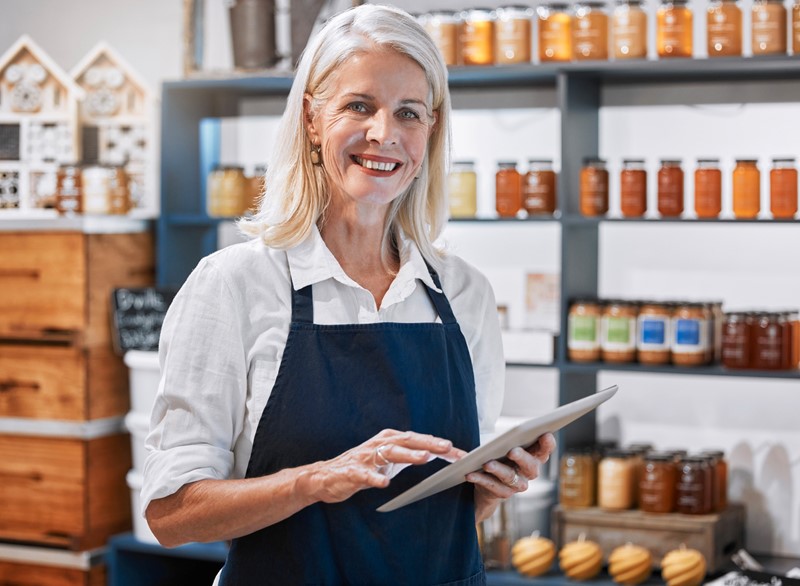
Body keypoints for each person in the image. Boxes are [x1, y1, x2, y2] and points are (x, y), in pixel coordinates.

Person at [142, 4, 555, 585]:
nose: (384, 133)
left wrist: (492, 487)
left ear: (429, 131)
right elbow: (170, 515)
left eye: (408, 112)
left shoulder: (464, 292)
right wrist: (315, 480)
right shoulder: (235, 285)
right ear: (312, 117)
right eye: (359, 106)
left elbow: (448, 514)